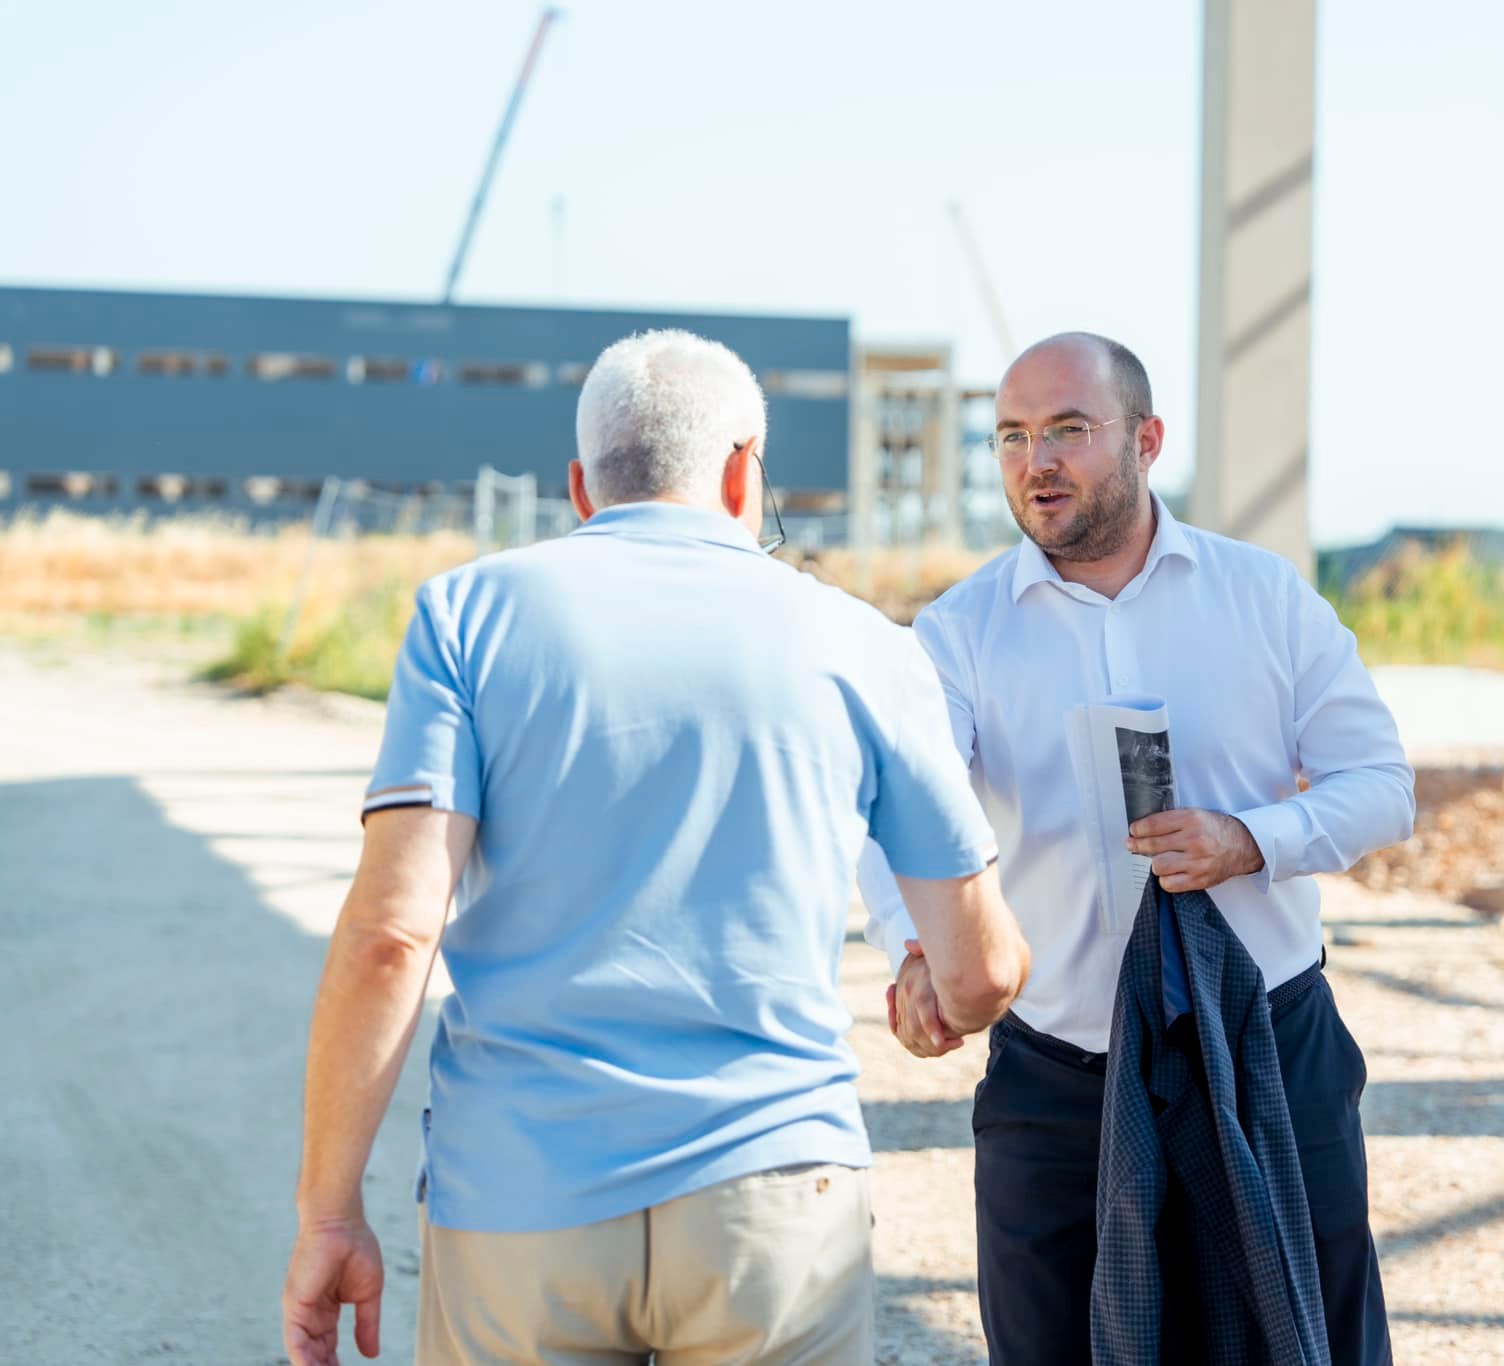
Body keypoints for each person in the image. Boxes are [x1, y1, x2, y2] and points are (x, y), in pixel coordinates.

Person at [280, 329, 1030, 1366]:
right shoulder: (862, 641)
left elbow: (391, 937)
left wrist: (330, 1213)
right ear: (740, 471)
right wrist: (937, 987)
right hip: (774, 1205)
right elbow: (982, 970)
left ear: (581, 486)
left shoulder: (466, 616)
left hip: (517, 1202)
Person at [860, 332, 1415, 1365]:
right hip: (1057, 1072)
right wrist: (913, 949)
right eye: (1013, 436)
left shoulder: (1264, 597)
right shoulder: (958, 631)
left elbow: (1381, 787)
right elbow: (895, 805)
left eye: (1068, 429)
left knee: (1310, 1336)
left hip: (1265, 1053)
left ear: (1146, 438)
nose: (1037, 461)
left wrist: (1249, 839)